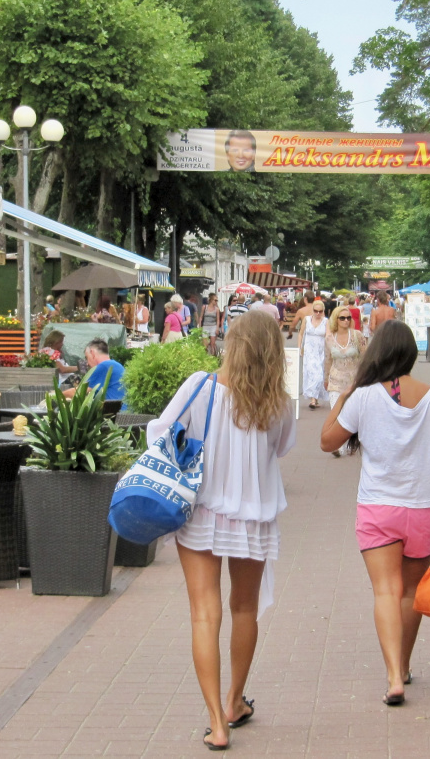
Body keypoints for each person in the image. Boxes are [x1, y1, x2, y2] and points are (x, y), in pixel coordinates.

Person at [153, 310, 294, 750]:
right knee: (244, 609)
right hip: (254, 514)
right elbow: (282, 448)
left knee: (204, 613)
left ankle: (216, 723)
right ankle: (235, 701)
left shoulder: (199, 386)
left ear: (231, 343)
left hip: (201, 509)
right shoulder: (279, 402)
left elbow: (158, 431)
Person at [320, 320, 430, 707]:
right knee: (411, 593)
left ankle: (392, 678)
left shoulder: (364, 396)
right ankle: (403, 665)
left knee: (386, 591)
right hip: (424, 508)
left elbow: (327, 442)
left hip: (378, 508)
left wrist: (342, 399)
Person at [323, 306, 367, 455]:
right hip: (335, 379)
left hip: (354, 381)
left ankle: (353, 442)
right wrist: (325, 379)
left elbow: (365, 358)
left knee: (353, 414)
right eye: (342, 318)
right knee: (336, 412)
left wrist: (366, 378)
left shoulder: (357, 336)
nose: (346, 320)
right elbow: (327, 360)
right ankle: (338, 447)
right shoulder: (329, 338)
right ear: (336, 320)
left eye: (348, 318)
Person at [63, 339, 127, 403]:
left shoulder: (104, 366)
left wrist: (58, 395)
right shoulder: (116, 365)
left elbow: (79, 392)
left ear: (92, 353)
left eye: (87, 357)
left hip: (115, 411)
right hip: (121, 410)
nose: (87, 363)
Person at [298, 300, 329, 410]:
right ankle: (313, 400)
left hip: (321, 351)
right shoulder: (307, 320)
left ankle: (314, 399)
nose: (318, 313)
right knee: (311, 374)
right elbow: (301, 334)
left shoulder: (326, 321)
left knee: (319, 375)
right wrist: (299, 347)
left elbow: (328, 336)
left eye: (320, 311)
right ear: (313, 311)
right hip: (309, 351)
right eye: (316, 311)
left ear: (323, 311)